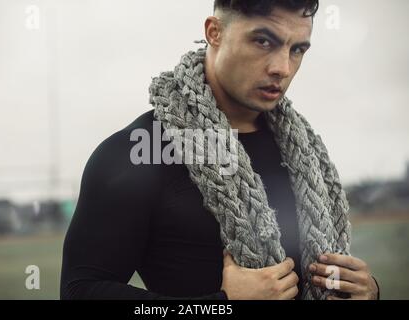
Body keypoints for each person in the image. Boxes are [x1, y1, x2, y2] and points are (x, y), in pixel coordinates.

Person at [60, 0, 380, 300]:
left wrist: (369, 291)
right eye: (263, 41)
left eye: (297, 49)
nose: (282, 67)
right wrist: (219, 304)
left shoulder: (306, 152)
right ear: (214, 32)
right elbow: (79, 291)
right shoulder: (137, 151)